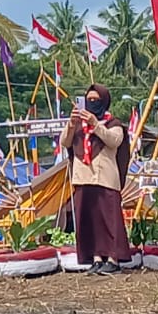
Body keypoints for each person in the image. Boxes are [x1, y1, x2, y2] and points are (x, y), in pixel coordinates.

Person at [61, 84, 131, 275]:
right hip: (83, 178)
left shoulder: (113, 123)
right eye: (88, 100)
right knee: (90, 220)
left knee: (109, 220)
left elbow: (114, 140)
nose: (92, 103)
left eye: (96, 100)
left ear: (104, 102)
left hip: (105, 178)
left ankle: (113, 258)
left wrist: (95, 124)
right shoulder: (77, 126)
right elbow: (64, 142)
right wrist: (71, 123)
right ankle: (96, 258)